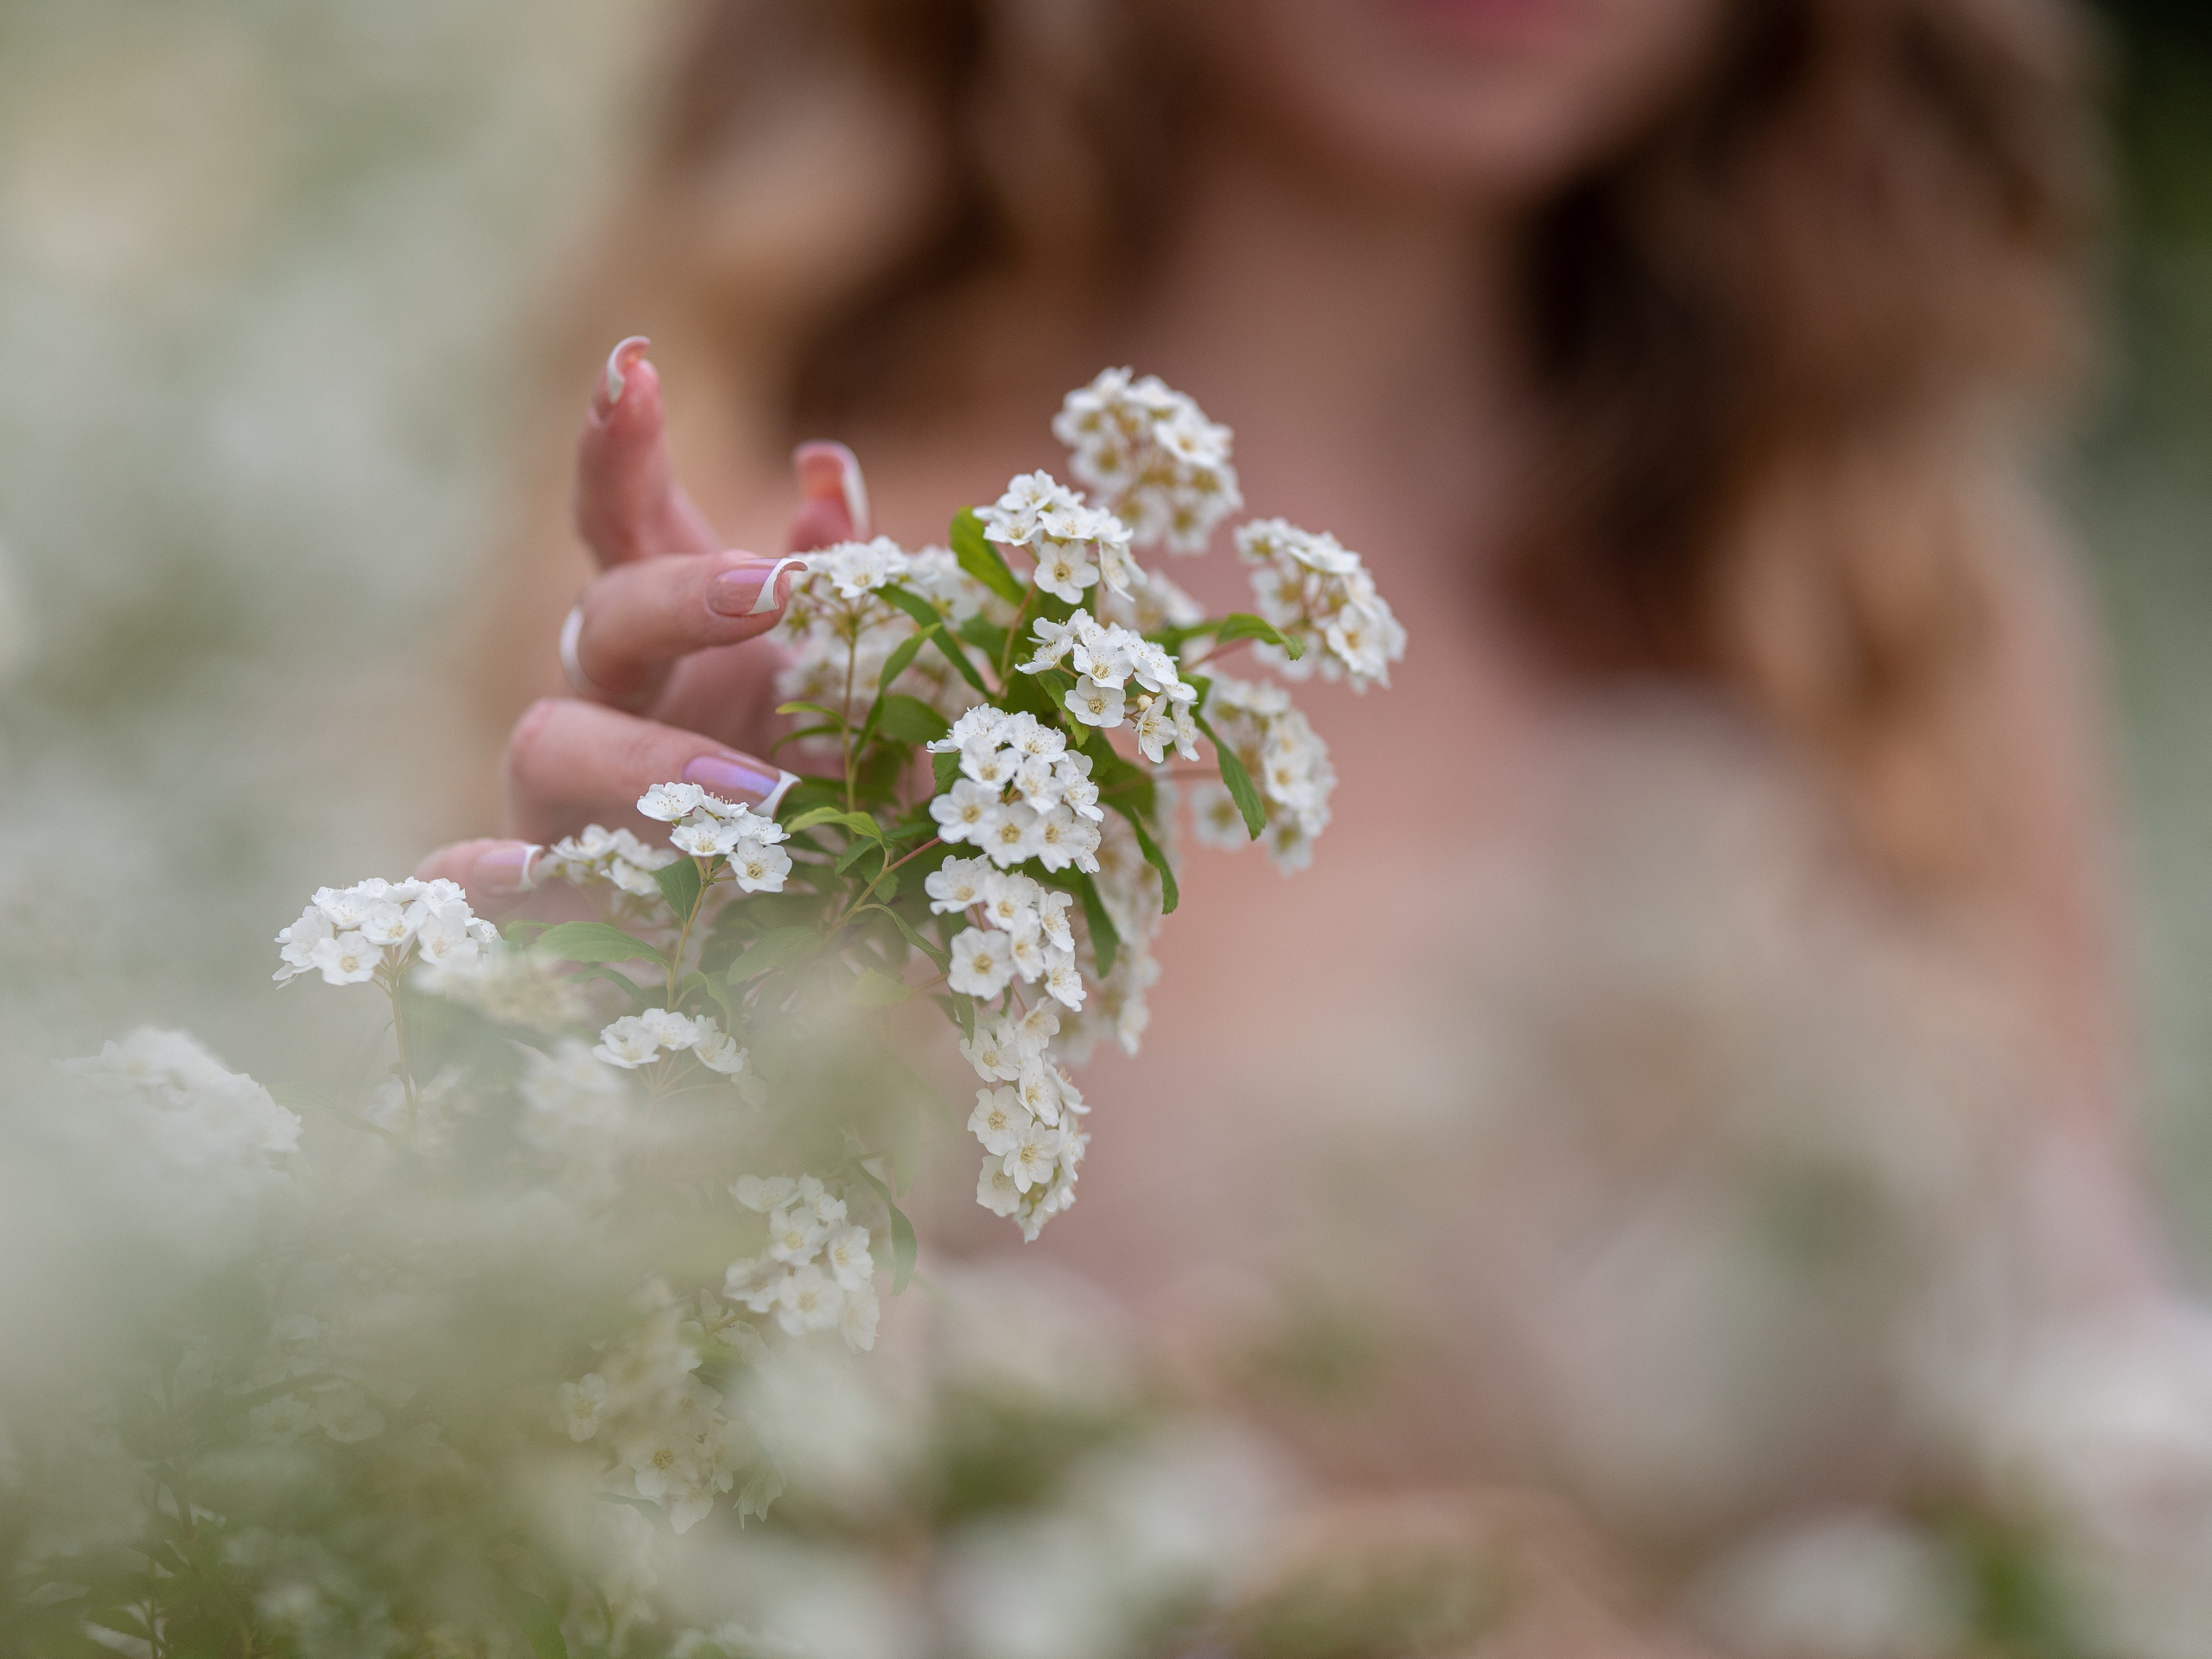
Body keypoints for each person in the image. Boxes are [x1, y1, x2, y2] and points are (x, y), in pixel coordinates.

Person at [421, 1, 2209, 1648]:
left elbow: (2101, 1470)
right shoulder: (792, 612)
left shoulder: (1880, 616)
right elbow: (605, 1507)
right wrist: (664, 1072)